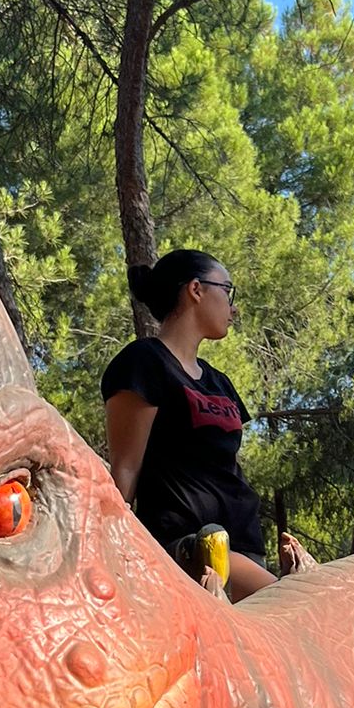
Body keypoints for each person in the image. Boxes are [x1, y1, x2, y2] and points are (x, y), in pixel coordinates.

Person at [102, 250, 275, 601]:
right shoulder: (143, 362)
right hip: (188, 550)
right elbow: (125, 469)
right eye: (227, 290)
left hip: (246, 544)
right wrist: (113, 556)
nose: (233, 308)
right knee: (293, 607)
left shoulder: (219, 381)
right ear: (196, 289)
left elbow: (226, 468)